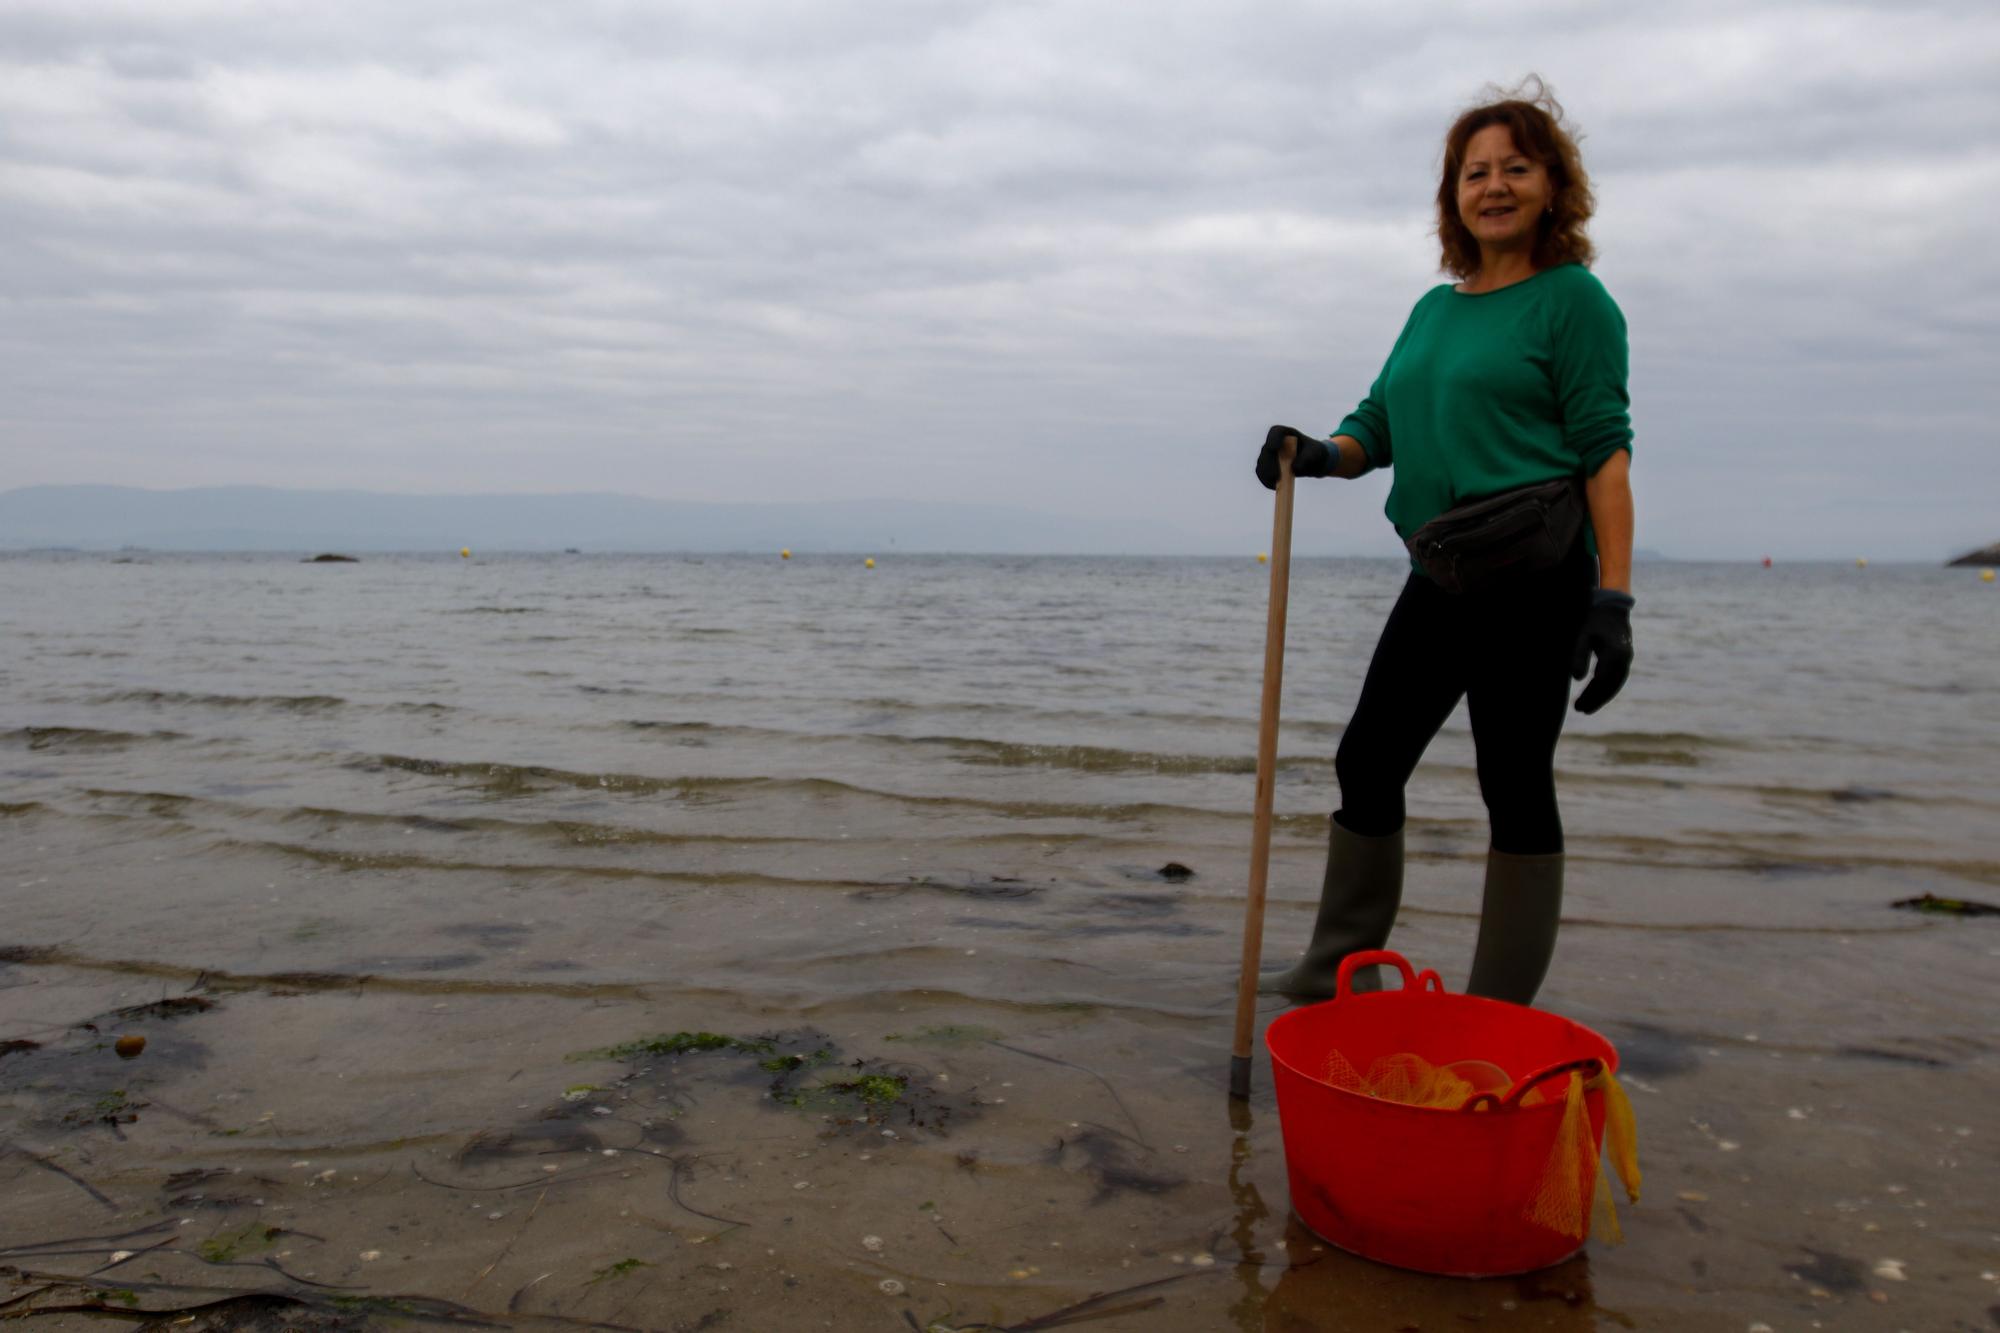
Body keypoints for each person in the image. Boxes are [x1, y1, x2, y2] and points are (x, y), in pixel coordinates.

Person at [1255, 79, 1635, 1006]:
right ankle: (1338, 968)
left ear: (1553, 184)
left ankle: (1499, 1009)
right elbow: (1376, 429)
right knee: (1367, 761)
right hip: (1442, 571)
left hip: (1538, 580)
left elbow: (1605, 457)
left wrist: (1612, 600)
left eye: (1515, 167)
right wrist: (1313, 453)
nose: (1494, 186)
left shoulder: (1574, 302)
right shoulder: (1435, 310)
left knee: (1512, 781)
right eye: (1475, 172)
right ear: (1453, 195)